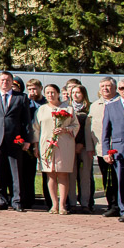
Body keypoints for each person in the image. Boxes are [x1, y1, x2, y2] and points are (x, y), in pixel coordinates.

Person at [0, 70, 33, 211]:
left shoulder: (21, 98)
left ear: (12, 82)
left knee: (16, 172)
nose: (5, 82)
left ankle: (17, 201)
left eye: (8, 80)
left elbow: (26, 121)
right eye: (3, 80)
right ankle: (1, 200)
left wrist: (27, 140)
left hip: (15, 140)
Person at [32, 84, 79, 214]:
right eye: (47, 93)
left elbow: (76, 126)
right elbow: (36, 129)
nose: (50, 95)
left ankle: (63, 204)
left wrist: (66, 129)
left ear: (58, 93)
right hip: (46, 145)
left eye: (53, 92)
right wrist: (36, 146)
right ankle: (54, 204)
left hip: (64, 144)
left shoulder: (68, 109)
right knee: (50, 174)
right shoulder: (41, 110)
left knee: (63, 174)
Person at [101, 78, 124, 223]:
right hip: (120, 150)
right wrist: (106, 151)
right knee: (123, 182)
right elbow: (105, 132)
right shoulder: (111, 107)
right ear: (118, 90)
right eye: (123, 88)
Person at [90, 77, 120, 217]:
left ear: (115, 88)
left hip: (121, 149)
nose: (105, 89)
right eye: (102, 86)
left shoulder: (123, 103)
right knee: (107, 179)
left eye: (108, 86)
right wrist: (90, 146)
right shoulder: (95, 105)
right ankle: (112, 205)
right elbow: (89, 128)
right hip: (102, 149)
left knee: (122, 179)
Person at [21, 77, 46, 209]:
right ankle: (27, 198)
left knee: (46, 171)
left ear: (40, 89)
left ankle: (49, 199)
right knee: (27, 172)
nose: (32, 92)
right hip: (28, 141)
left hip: (44, 139)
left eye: (35, 89)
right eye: (30, 89)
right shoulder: (25, 103)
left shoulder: (46, 103)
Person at [68, 84, 94, 213]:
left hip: (84, 146)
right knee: (71, 176)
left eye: (78, 92)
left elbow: (89, 129)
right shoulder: (67, 108)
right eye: (73, 92)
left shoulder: (89, 109)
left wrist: (82, 144)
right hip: (70, 146)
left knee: (85, 176)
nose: (75, 95)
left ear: (83, 94)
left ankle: (85, 203)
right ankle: (72, 203)